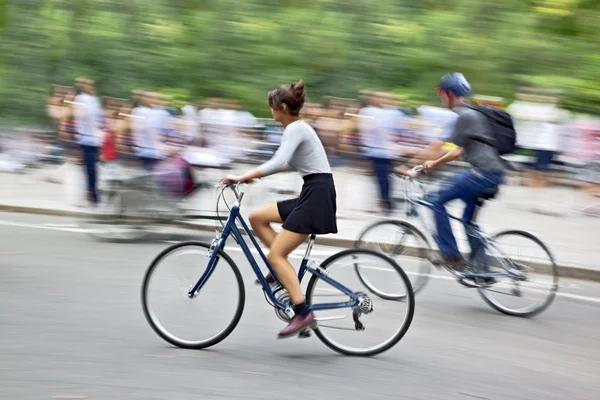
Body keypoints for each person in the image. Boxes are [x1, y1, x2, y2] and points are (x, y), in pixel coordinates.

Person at [220, 81, 337, 338]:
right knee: (257, 218)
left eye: (272, 107)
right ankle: (281, 272)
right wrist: (252, 177)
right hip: (313, 191)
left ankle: (302, 313)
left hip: (316, 195)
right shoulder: (296, 129)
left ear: (282, 107)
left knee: (275, 255)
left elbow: (279, 161)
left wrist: (242, 176)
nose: (271, 111)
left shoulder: (296, 128)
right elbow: (283, 163)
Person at [409, 73, 504, 281]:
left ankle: (450, 254)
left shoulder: (465, 115)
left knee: (435, 199)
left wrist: (418, 166)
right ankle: (483, 271)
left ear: (449, 94)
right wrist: (432, 164)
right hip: (493, 174)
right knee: (468, 222)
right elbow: (459, 150)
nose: (441, 99)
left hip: (483, 174)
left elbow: (444, 147)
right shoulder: (472, 114)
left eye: (442, 94)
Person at [73, 79, 102, 205]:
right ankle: (92, 194)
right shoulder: (82, 99)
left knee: (91, 168)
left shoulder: (93, 99)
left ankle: (91, 193)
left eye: (90, 85)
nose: (89, 87)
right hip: (87, 139)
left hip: (93, 139)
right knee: (90, 168)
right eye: (87, 85)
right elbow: (85, 116)